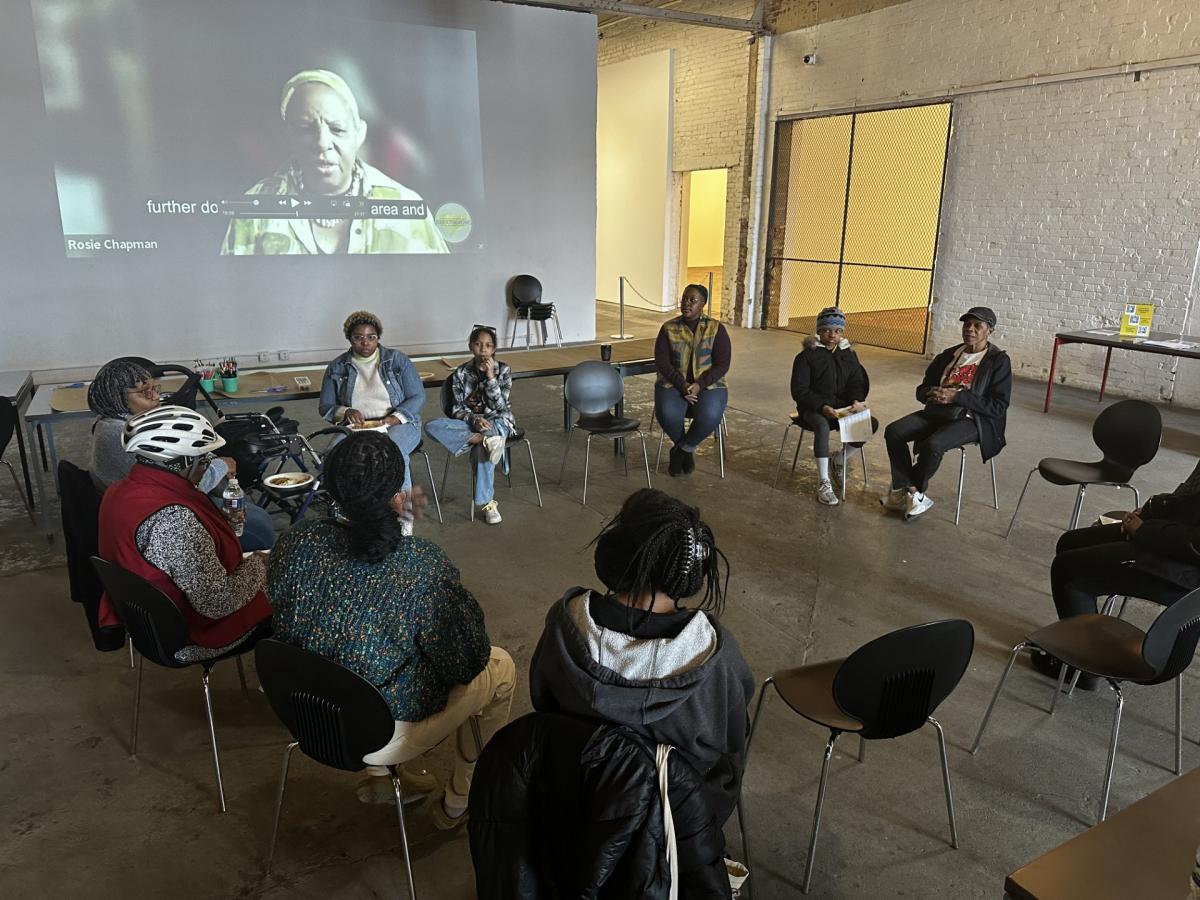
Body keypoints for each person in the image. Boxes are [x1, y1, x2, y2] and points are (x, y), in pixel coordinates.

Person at [267, 432, 514, 825]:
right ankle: (459, 800)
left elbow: (285, 620)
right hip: (379, 729)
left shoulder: (294, 542)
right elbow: (466, 662)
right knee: (500, 667)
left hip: (307, 710)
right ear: (399, 494)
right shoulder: (421, 565)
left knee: (351, 649)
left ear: (329, 484)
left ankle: (384, 780)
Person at [529, 488, 755, 833]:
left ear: (615, 553)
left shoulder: (566, 626)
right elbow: (731, 739)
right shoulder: (716, 658)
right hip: (672, 819)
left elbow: (542, 699)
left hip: (568, 799)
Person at [96, 406, 272, 662]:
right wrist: (258, 563)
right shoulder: (173, 519)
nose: (210, 463)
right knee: (300, 588)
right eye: (205, 457)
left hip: (150, 622)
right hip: (188, 635)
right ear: (184, 462)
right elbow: (217, 604)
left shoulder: (119, 491)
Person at [221, 69, 448, 255]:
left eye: (337, 129)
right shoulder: (254, 211)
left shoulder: (406, 207)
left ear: (360, 134)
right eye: (304, 129)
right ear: (287, 136)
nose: (322, 143)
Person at [1035, 459, 1200, 689]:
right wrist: (1151, 511)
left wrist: (1144, 530)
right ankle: (1077, 640)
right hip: (1169, 541)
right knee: (1069, 543)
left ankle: (1082, 670)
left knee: (1069, 571)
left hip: (1184, 572)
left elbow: (1195, 544)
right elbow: (1188, 501)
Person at [87, 358, 276, 551]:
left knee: (255, 516)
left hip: (154, 507)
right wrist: (221, 465)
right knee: (259, 530)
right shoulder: (121, 435)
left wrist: (210, 461)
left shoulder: (116, 422)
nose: (155, 397)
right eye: (144, 391)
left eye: (154, 387)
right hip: (153, 516)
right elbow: (186, 484)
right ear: (116, 397)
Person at [881, 306, 1011, 519]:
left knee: (934, 444)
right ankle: (912, 491)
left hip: (973, 419)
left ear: (990, 331)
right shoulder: (948, 355)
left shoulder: (998, 362)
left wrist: (957, 397)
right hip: (938, 412)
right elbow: (921, 390)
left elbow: (998, 406)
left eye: (977, 325)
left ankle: (907, 490)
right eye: (967, 324)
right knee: (894, 431)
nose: (970, 329)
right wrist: (932, 392)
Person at [318, 311, 424, 534]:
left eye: (371, 337)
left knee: (394, 452)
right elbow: (325, 407)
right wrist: (346, 411)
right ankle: (347, 508)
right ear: (349, 338)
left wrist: (396, 417)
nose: (365, 342)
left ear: (378, 337)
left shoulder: (397, 360)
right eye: (358, 337)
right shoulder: (337, 367)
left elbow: (418, 397)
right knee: (332, 454)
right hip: (360, 426)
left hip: (399, 423)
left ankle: (404, 515)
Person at [424, 326, 513, 525]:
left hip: (497, 421)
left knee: (482, 447)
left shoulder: (504, 370)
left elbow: (500, 406)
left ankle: (488, 503)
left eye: (488, 346)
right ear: (471, 346)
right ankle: (486, 441)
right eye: (478, 344)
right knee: (431, 426)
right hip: (470, 424)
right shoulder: (462, 372)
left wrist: (491, 377)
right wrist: (473, 420)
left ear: (494, 349)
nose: (483, 350)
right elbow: (456, 409)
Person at [790, 306, 879, 506]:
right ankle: (823, 482)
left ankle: (839, 460)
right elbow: (800, 391)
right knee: (821, 426)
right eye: (827, 330)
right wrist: (822, 406)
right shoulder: (806, 357)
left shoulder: (848, 355)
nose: (832, 335)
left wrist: (856, 400)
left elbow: (857, 382)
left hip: (841, 408)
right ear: (819, 331)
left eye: (837, 331)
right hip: (812, 409)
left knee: (870, 423)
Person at [654, 284, 731, 476]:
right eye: (684, 299)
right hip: (673, 383)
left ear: (702, 304)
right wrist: (683, 385)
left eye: (692, 300)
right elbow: (662, 362)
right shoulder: (669, 328)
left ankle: (681, 450)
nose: (686, 304)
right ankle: (686, 451)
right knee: (667, 413)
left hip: (708, 384)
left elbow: (723, 364)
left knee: (709, 416)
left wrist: (699, 384)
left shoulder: (715, 329)